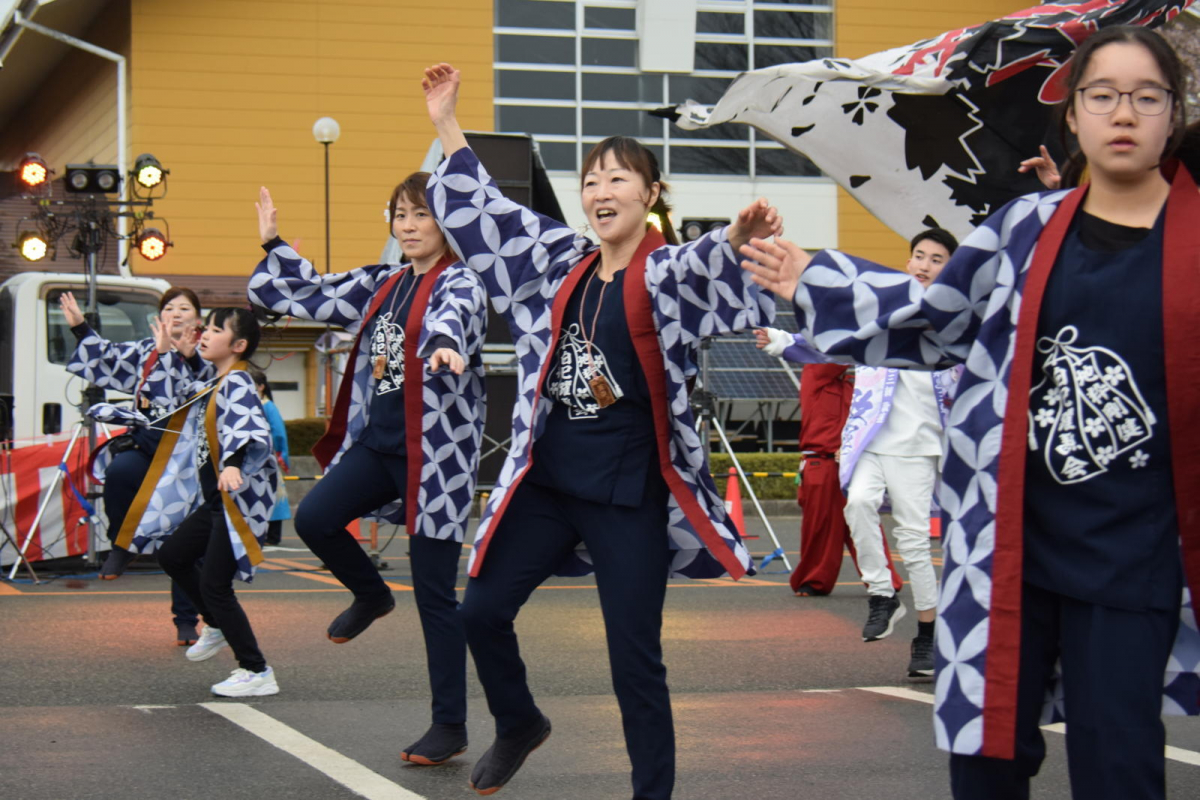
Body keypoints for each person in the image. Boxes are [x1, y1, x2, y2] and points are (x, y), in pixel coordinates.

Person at [739, 26, 1199, 800]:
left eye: (1146, 97)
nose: (1125, 113)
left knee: (1119, 764)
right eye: (1103, 95)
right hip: (1010, 548)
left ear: (1173, 115)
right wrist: (813, 279)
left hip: (1138, 560)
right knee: (984, 761)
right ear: (1074, 117)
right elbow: (934, 315)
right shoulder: (1027, 230)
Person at [423, 62, 779, 798]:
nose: (601, 191)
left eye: (619, 179)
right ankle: (519, 721)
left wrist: (735, 238)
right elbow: (488, 213)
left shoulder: (666, 271)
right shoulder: (562, 263)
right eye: (590, 180)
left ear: (649, 196)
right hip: (550, 480)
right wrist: (446, 123)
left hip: (627, 494)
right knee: (480, 610)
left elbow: (705, 265)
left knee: (635, 662)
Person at [248, 174, 487, 766]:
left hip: (434, 455)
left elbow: (454, 316)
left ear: (446, 223)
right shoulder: (383, 283)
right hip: (379, 446)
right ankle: (371, 594)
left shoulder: (461, 280)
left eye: (420, 215)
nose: (407, 226)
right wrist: (274, 246)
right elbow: (317, 291)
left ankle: (449, 726)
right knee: (318, 518)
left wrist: (448, 344)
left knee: (436, 595)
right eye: (399, 215)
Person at [757, 229, 960, 681]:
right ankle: (883, 597)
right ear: (908, 264)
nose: (925, 264)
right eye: (919, 256)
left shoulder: (956, 325)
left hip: (918, 445)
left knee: (912, 541)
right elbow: (834, 345)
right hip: (868, 436)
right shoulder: (885, 312)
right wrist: (781, 341)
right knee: (858, 503)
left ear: (951, 269)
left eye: (937, 259)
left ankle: (926, 638)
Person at [127, 307, 278, 697]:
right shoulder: (214, 380)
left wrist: (233, 463)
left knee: (214, 585)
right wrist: (164, 351)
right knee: (174, 556)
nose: (205, 333)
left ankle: (257, 670)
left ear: (239, 345)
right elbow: (168, 398)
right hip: (216, 502)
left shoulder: (239, 381)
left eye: (215, 329)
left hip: (234, 504)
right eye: (206, 327)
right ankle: (214, 624)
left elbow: (248, 425)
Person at [63, 287, 207, 646]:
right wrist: (81, 328)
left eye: (184, 308)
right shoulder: (145, 350)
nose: (175, 313)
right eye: (169, 307)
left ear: (198, 320)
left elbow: (203, 391)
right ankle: (122, 546)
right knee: (120, 472)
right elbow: (107, 359)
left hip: (186, 461)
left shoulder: (205, 352)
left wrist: (182, 358)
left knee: (182, 543)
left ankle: (187, 620)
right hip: (146, 446)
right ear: (159, 318)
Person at [750, 339, 905, 600]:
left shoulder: (857, 389)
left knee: (865, 521)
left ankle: (885, 579)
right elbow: (835, 354)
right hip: (821, 462)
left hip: (853, 464)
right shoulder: (814, 373)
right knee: (820, 525)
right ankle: (813, 581)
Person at [250, 370, 291, 546]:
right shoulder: (252, 405)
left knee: (273, 495)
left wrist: (281, 455)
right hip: (252, 457)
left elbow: (279, 433)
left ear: (261, 387)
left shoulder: (268, 406)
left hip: (267, 456)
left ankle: (273, 536)